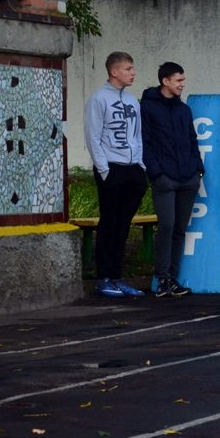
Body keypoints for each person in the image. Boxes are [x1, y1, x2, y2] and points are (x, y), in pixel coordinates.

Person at [83, 52, 147, 298]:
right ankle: (103, 278)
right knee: (109, 223)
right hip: (111, 168)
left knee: (123, 224)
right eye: (128, 69)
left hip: (133, 170)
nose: (133, 73)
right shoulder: (99, 99)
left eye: (133, 68)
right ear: (114, 71)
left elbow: (137, 135)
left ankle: (118, 277)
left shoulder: (132, 101)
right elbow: (93, 136)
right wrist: (104, 170)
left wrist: (140, 165)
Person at [140, 62, 203, 297]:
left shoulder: (183, 109)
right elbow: (144, 142)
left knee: (179, 229)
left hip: (188, 178)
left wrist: (198, 168)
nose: (182, 84)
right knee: (166, 225)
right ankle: (162, 277)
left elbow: (192, 139)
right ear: (165, 81)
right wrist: (156, 173)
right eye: (178, 80)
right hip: (165, 178)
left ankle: (172, 279)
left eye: (183, 80)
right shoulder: (147, 107)